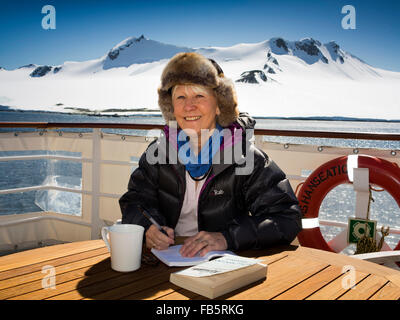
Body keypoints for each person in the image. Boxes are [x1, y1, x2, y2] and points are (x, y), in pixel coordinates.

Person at [119, 52, 302, 258]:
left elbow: (287, 217)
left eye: (199, 95)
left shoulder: (246, 157)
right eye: (181, 97)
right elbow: (135, 201)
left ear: (219, 105)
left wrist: (227, 237)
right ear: (171, 107)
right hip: (165, 259)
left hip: (220, 266)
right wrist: (148, 228)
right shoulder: (158, 152)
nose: (189, 106)